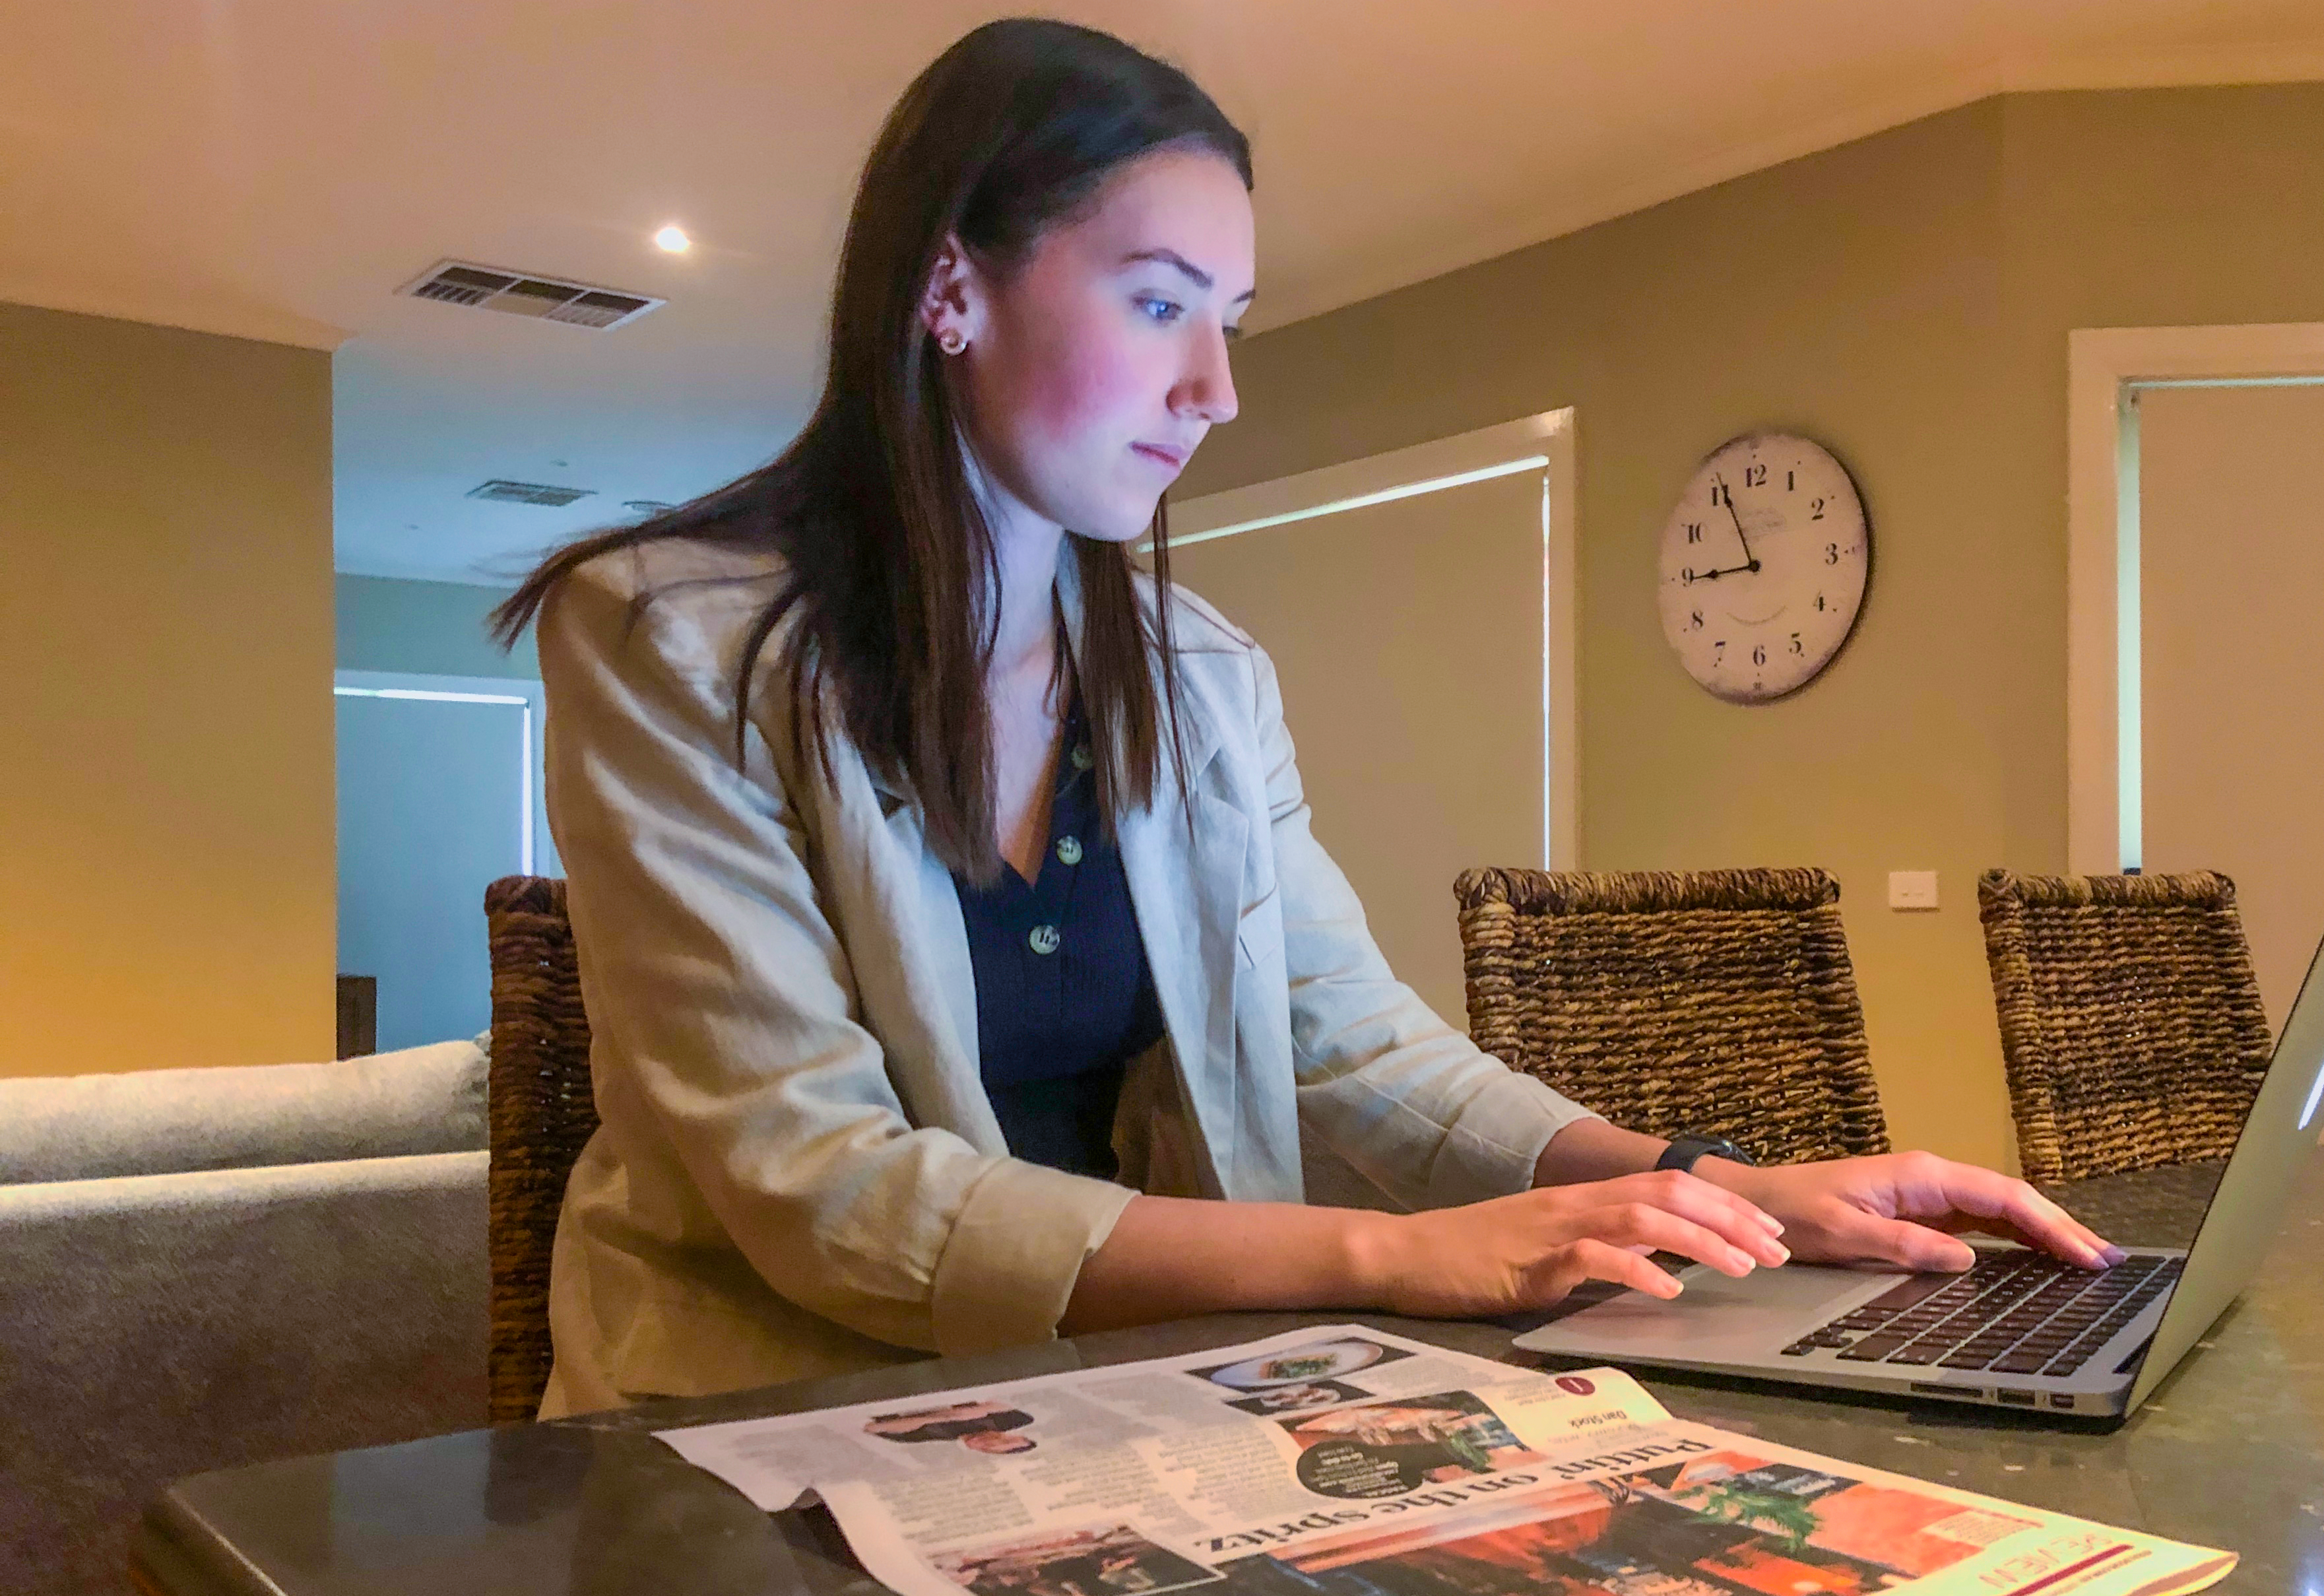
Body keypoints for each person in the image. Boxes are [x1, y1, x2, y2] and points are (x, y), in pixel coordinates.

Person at [494, 18, 2119, 1419]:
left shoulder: (1201, 675)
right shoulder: (666, 640)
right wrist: (1392, 1257)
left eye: (1234, 322)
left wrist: (1714, 1185)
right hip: (746, 1426)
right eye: (1158, 304)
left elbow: (1352, 1043)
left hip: (1111, 1404)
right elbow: (828, 1195)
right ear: (949, 289)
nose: (1218, 388)